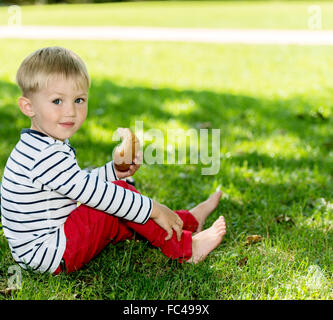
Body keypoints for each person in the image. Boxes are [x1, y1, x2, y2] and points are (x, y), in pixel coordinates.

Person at [0, 47, 226, 274]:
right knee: (118, 199)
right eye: (57, 101)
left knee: (121, 199)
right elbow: (100, 195)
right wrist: (154, 209)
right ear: (28, 107)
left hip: (46, 246)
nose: (70, 111)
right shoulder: (44, 156)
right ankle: (187, 249)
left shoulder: (41, 144)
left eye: (79, 100)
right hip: (50, 254)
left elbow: (78, 185)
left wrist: (114, 171)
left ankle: (185, 222)